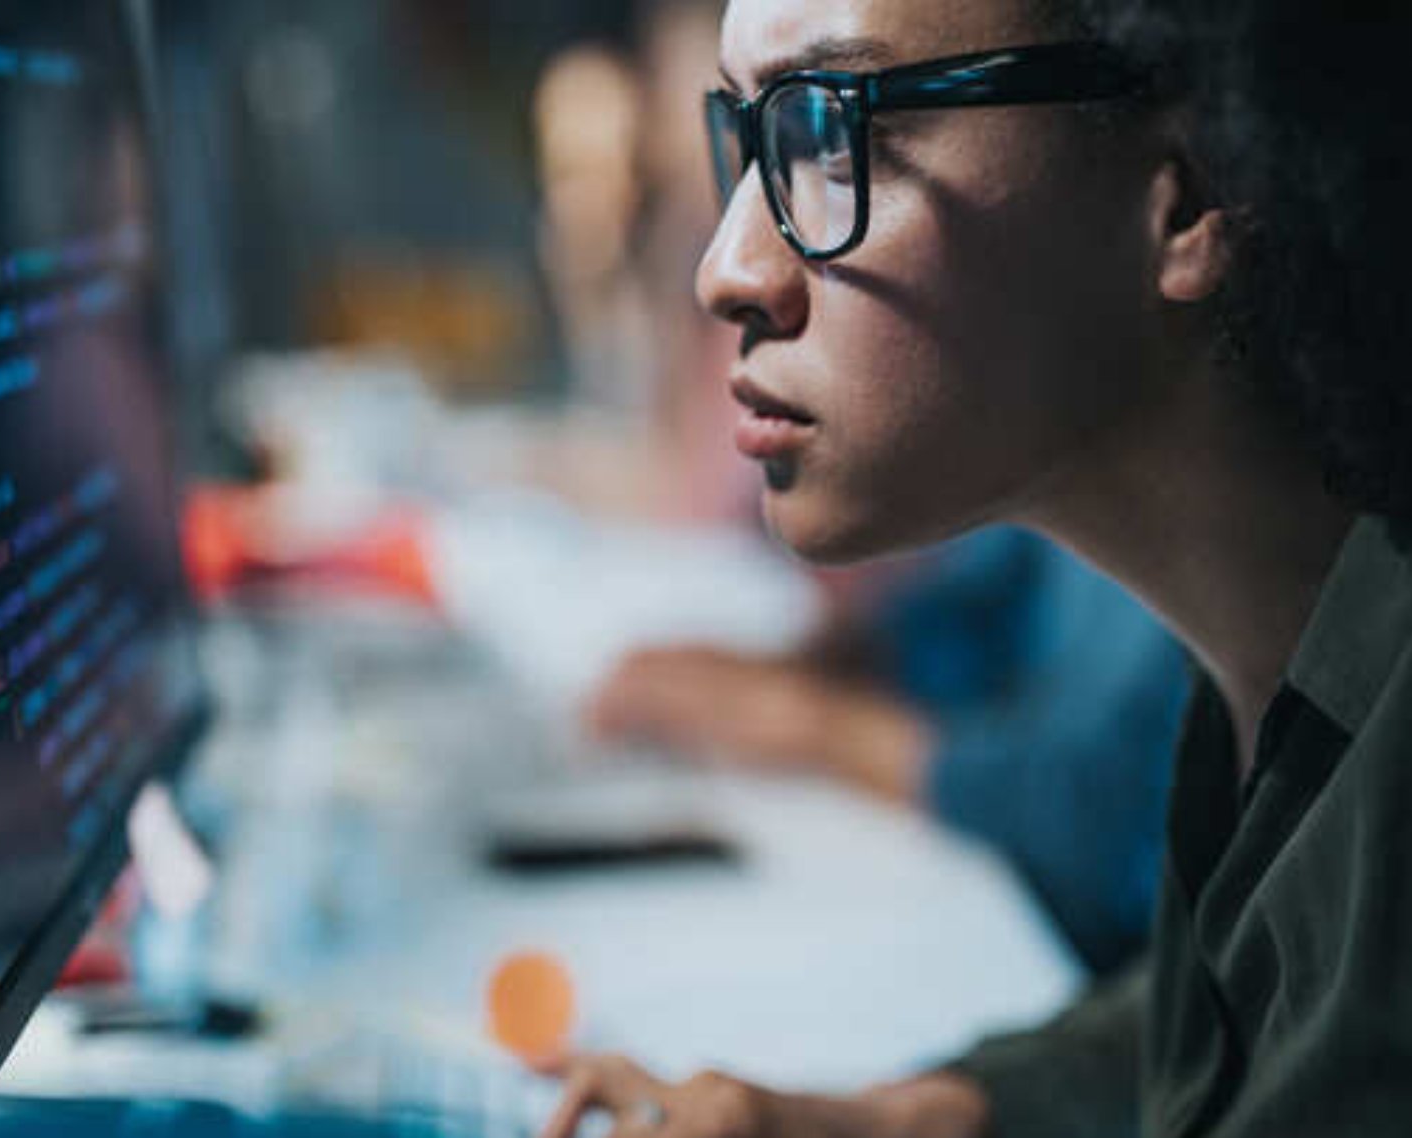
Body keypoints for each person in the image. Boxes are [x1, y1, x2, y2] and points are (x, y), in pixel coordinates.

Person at [537, 0, 1412, 1135]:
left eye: (834, 130)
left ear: (1193, 189)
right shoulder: (1269, 668)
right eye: (749, 140)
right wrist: (896, 1121)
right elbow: (1225, 1015)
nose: (729, 270)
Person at [590, 525, 1190, 976]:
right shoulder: (1072, 436)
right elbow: (968, 614)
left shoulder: (1182, 497)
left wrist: (812, 725)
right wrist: (809, 664)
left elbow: (1095, 810)